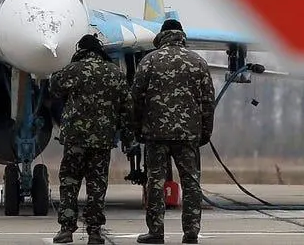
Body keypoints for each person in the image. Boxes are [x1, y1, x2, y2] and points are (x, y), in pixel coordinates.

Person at [133, 19, 215, 244]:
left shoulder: (149, 61)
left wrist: (138, 130)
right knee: (191, 183)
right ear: (181, 35)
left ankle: (156, 232)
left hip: (155, 135)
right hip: (188, 135)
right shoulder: (197, 62)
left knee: (155, 182)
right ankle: (191, 233)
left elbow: (136, 99)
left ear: (162, 36)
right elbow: (208, 102)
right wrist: (205, 133)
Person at [50, 33, 137, 244]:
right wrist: (129, 139)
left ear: (80, 50)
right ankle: (95, 231)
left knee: (69, 182)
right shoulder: (115, 73)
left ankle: (66, 230)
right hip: (102, 140)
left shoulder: (74, 70)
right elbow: (127, 109)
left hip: (75, 140)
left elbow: (54, 86)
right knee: (97, 185)